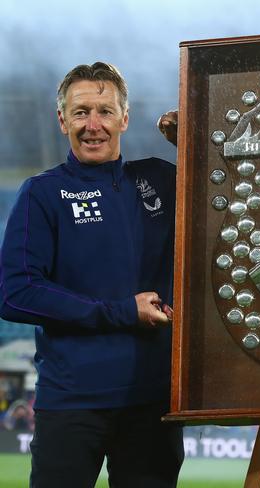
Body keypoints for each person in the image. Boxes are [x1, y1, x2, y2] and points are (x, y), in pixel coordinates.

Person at [0, 62, 183, 487]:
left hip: (153, 402)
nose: (93, 125)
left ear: (125, 117)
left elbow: (229, 201)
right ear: (62, 120)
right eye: (81, 112)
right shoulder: (42, 193)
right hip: (71, 403)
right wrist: (121, 312)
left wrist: (194, 143)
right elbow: (15, 293)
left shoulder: (161, 178)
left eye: (104, 111)